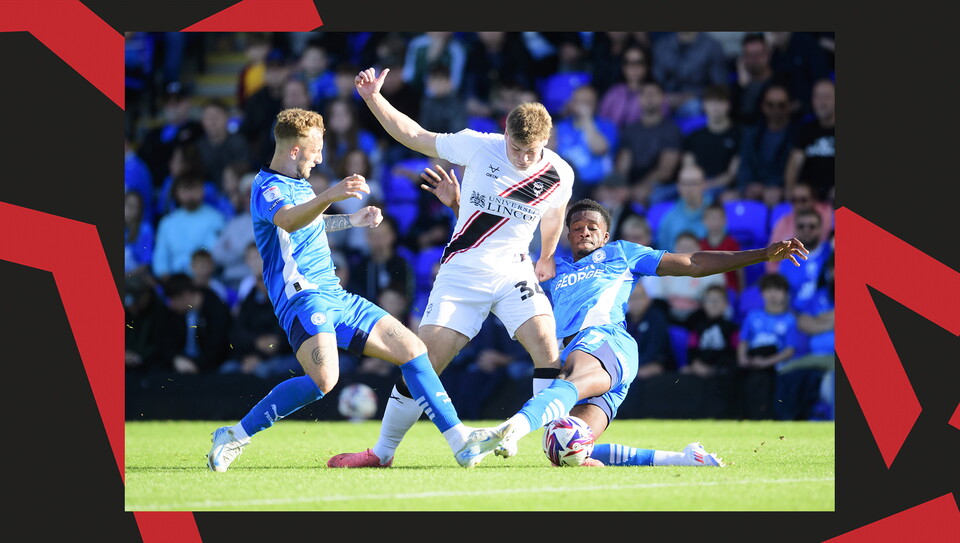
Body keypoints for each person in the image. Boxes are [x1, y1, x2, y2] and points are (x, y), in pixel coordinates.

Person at [407, 183, 806, 467]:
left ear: (606, 235)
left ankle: (511, 427)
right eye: (576, 227)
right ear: (566, 235)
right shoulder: (551, 268)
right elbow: (495, 247)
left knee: (568, 378)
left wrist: (762, 254)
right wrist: (458, 204)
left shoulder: (622, 254)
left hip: (606, 342)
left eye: (592, 227)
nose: (584, 231)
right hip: (592, 359)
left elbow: (692, 263)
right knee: (566, 448)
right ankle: (684, 459)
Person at [206, 107, 508, 472]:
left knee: (413, 350)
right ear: (294, 150)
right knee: (324, 380)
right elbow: (288, 220)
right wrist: (331, 193)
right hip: (303, 298)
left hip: (336, 296)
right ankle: (234, 435)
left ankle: (460, 440)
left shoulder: (300, 184)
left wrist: (352, 219)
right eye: (316, 150)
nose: (320, 158)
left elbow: (310, 222)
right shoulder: (266, 187)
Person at [326, 66, 574, 469]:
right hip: (462, 273)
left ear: (546, 142)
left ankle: (557, 450)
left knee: (549, 350)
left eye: (531, 152)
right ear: (505, 134)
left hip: (514, 273)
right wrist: (373, 97)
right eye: (516, 149)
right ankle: (382, 452)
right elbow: (414, 135)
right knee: (422, 362)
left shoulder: (560, 173)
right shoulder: (478, 146)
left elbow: (554, 214)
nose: (523, 158)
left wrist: (546, 255)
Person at [735, 272, 802, 419]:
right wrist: (742, 359)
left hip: (777, 365)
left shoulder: (790, 319)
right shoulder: (753, 316)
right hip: (754, 359)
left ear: (785, 294)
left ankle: (765, 416)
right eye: (768, 290)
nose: (773, 294)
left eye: (777, 290)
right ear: (762, 293)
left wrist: (766, 362)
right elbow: (743, 341)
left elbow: (790, 350)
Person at [615, 80, 683, 208]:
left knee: (644, 195)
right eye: (645, 94)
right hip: (633, 184)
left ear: (663, 98)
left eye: (654, 94)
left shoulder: (672, 130)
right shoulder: (630, 129)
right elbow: (623, 165)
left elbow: (665, 171)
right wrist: (623, 187)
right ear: (639, 99)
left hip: (661, 185)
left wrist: (637, 188)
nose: (649, 98)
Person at [550, 83, 619, 201]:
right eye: (578, 101)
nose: (582, 106)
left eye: (587, 102)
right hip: (566, 184)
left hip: (597, 186)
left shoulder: (607, 126)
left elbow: (599, 149)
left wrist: (586, 119)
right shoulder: (560, 127)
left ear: (596, 104)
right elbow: (549, 153)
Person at [736, 83, 796, 206]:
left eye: (781, 105)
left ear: (789, 106)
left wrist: (773, 187)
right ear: (763, 106)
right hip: (753, 190)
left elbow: (793, 169)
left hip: (781, 191)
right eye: (770, 105)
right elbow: (745, 165)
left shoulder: (797, 135)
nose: (776, 110)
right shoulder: (751, 134)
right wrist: (747, 187)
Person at [681, 83, 742, 203]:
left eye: (720, 102)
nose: (715, 107)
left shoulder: (739, 135)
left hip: (724, 187)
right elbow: (688, 167)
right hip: (696, 185)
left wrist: (708, 185)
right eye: (711, 102)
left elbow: (732, 174)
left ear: (728, 105)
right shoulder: (694, 136)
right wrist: (696, 185)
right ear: (704, 105)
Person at [650, 32, 729, 120]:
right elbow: (655, 81)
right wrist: (663, 96)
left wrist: (691, 96)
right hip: (666, 98)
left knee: (694, 107)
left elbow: (719, 86)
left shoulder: (712, 47)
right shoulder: (662, 45)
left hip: (696, 99)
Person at [783, 78, 835, 202]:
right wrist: (790, 191)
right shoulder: (806, 129)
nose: (822, 103)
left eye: (827, 97)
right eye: (818, 97)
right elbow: (794, 163)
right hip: (810, 200)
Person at [766, 180, 833, 272]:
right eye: (794, 200)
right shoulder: (783, 223)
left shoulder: (826, 215)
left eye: (803, 200)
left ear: (813, 200)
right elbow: (771, 259)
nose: (798, 205)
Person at [655, 163, 711, 251]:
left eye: (694, 183)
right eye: (684, 184)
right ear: (678, 186)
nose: (689, 188)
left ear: (704, 184)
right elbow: (662, 250)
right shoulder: (669, 218)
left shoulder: (716, 213)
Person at [700, 202, 744, 293]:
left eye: (717, 218)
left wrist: (741, 293)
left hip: (729, 290)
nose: (714, 221)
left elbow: (739, 271)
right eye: (711, 218)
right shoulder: (700, 244)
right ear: (704, 221)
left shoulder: (732, 244)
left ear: (724, 221)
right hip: (706, 291)